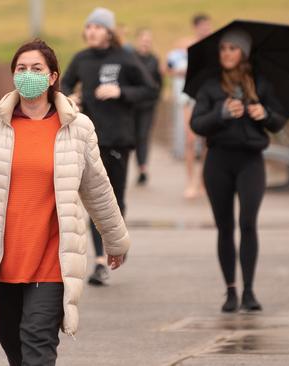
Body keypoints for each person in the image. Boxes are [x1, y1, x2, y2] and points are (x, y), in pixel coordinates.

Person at [0, 40, 130, 366]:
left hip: (51, 263)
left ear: (53, 76)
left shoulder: (77, 128)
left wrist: (115, 239)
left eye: (37, 69)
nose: (28, 75)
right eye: (21, 69)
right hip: (2, 262)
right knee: (16, 350)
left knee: (37, 345)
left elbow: (98, 189)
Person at [190, 29, 286, 313]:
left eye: (232, 49)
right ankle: (231, 290)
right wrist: (220, 113)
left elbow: (279, 121)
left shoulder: (260, 84)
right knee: (225, 226)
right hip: (218, 161)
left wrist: (264, 114)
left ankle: (249, 291)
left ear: (243, 53)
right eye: (223, 49)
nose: (226, 54)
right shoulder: (210, 87)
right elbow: (197, 124)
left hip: (250, 161)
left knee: (247, 222)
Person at [61, 7, 157, 286]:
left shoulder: (125, 58)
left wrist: (121, 92)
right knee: (93, 199)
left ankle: (115, 244)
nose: (91, 31)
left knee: (114, 198)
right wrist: (70, 98)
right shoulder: (81, 59)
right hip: (89, 139)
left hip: (118, 139)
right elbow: (65, 84)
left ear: (109, 31)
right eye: (88, 27)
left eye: (98, 27)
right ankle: (100, 261)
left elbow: (150, 90)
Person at [167, 13, 213, 198]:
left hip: (208, 96)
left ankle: (203, 182)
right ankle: (190, 181)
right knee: (190, 139)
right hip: (189, 97)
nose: (206, 29)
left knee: (206, 141)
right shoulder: (184, 45)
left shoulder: (215, 47)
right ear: (196, 27)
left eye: (208, 26)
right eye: (202, 26)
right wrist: (178, 72)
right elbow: (168, 68)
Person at [132, 27, 163, 185]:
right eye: (143, 40)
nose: (146, 43)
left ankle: (142, 168)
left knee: (143, 136)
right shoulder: (131, 58)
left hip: (147, 105)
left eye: (148, 41)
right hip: (131, 105)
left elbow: (159, 82)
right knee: (132, 137)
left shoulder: (154, 59)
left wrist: (156, 98)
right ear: (138, 41)